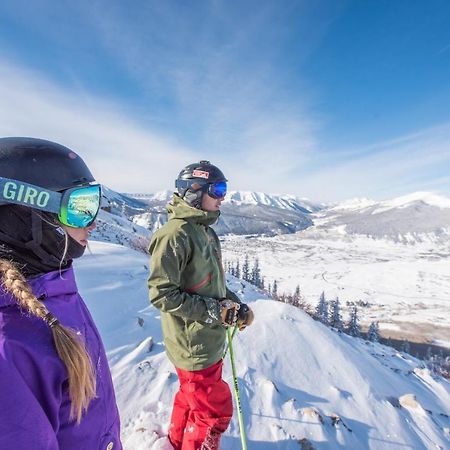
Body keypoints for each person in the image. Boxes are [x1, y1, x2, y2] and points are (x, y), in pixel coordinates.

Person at [0, 137, 122, 450]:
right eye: (79, 207)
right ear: (23, 213)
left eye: (94, 202)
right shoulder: (10, 341)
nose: (93, 223)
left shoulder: (53, 287)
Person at [148, 160, 254, 450]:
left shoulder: (204, 231)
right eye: (218, 189)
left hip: (207, 339)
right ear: (194, 191)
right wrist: (214, 311)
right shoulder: (175, 235)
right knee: (213, 414)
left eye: (224, 189)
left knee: (190, 397)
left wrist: (235, 305)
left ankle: (175, 442)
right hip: (193, 344)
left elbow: (211, 285)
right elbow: (161, 294)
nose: (223, 197)